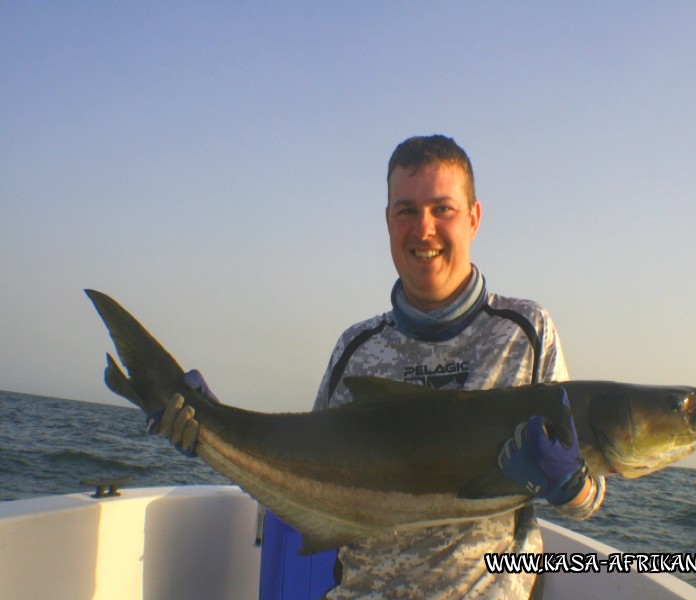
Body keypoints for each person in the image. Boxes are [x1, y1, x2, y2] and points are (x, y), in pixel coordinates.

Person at [152, 135, 605, 598]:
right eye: (406, 210)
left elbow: (585, 498)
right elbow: (302, 482)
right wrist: (211, 431)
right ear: (388, 221)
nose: (424, 228)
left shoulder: (526, 333)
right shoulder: (355, 347)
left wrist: (571, 488)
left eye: (442, 209)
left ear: (474, 217)